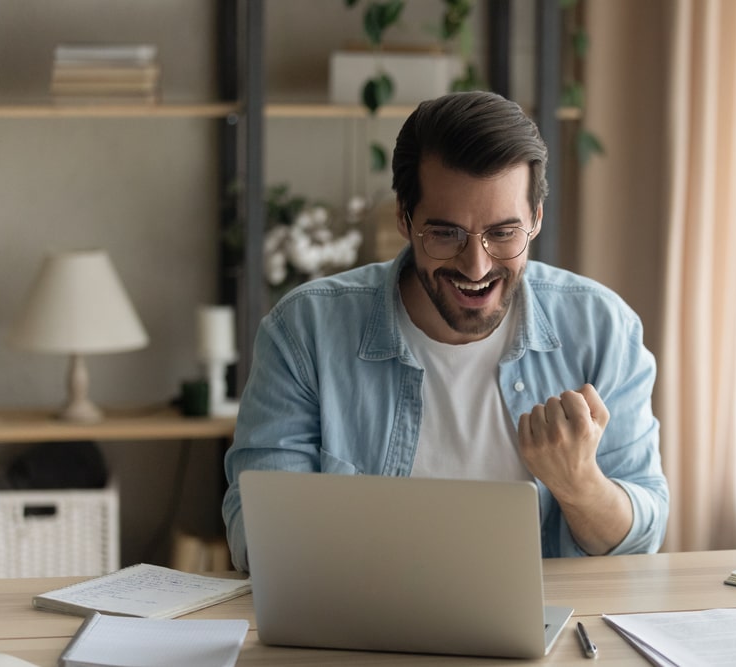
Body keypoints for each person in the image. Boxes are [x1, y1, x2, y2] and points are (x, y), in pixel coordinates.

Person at [222, 91, 669, 571]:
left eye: (503, 233)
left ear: (535, 220)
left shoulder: (602, 329)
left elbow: (638, 542)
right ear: (404, 218)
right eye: (446, 233)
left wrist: (578, 482)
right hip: (365, 635)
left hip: (549, 638)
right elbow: (256, 531)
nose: (475, 266)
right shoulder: (304, 332)